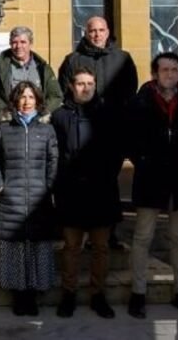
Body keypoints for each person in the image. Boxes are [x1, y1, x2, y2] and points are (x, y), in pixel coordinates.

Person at [127, 52, 178, 319]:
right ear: (154, 73)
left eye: (174, 69)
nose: (170, 74)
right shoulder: (141, 101)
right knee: (142, 237)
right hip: (150, 178)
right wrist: (145, 160)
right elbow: (132, 139)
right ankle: (138, 293)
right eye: (164, 70)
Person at [57, 16, 137, 247]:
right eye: (92, 31)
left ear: (108, 31)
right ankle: (77, 236)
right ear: (85, 32)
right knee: (79, 184)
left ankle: (107, 235)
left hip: (111, 133)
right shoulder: (73, 60)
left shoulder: (122, 58)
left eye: (101, 30)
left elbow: (129, 93)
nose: (97, 34)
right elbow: (64, 92)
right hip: (80, 131)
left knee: (107, 183)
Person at [52, 68, 119, 319]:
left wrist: (105, 176)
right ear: (71, 86)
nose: (86, 88)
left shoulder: (108, 114)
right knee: (71, 247)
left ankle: (98, 295)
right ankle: (68, 294)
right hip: (71, 191)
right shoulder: (59, 116)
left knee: (101, 247)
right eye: (80, 83)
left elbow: (116, 152)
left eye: (90, 83)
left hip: (101, 190)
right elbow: (55, 153)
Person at [0, 81, 58, 316]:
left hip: (38, 199)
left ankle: (33, 295)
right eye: (22, 97)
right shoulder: (3, 128)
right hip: (11, 197)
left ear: (38, 100)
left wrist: (48, 187)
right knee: (15, 245)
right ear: (15, 100)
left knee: (37, 244)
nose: (26, 101)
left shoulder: (46, 130)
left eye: (31, 97)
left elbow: (53, 161)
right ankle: (18, 295)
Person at [0, 25, 62, 118]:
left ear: (31, 44)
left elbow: (56, 95)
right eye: (14, 42)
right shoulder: (1, 68)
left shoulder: (42, 68)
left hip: (38, 120)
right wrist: (4, 113)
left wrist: (44, 112)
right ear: (10, 44)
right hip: (11, 121)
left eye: (23, 42)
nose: (18, 46)